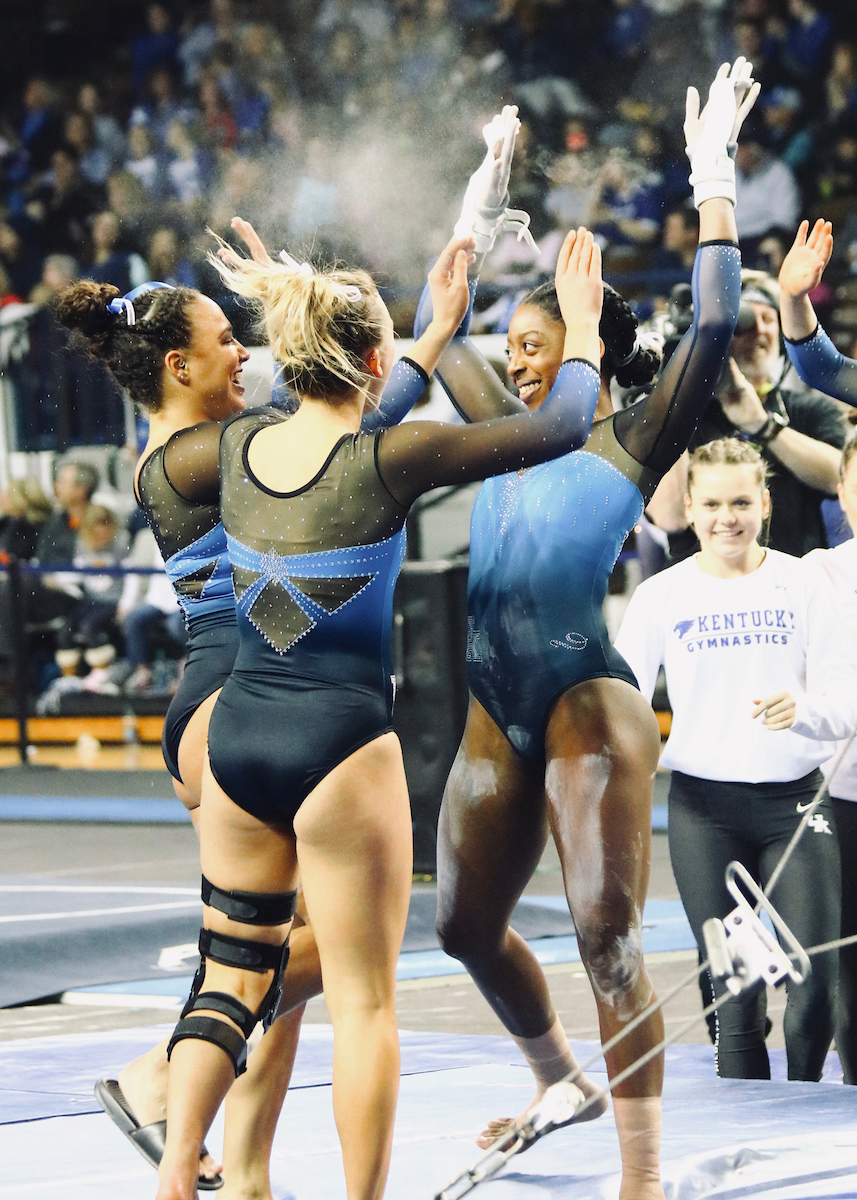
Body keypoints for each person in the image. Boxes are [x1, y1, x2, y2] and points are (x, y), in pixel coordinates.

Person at [155, 218, 604, 1200]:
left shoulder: (235, 448)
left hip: (237, 741)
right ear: (369, 357)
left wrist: (419, 327)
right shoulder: (386, 459)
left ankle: (176, 1181)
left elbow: (336, 406)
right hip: (335, 744)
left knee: (232, 980)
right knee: (361, 1003)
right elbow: (561, 425)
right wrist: (580, 329)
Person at [55, 222, 500, 1197]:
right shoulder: (202, 452)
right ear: (180, 364)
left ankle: (247, 1168)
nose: (247, 350)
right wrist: (391, 345)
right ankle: (165, 1073)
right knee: (304, 955)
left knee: (278, 955)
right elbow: (358, 436)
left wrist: (421, 336)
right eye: (229, 338)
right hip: (235, 696)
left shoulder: (216, 441)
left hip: (233, 696)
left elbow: (357, 426)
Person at [414, 61, 754, 1200]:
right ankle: (560, 1077)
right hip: (490, 705)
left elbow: (712, 318)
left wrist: (711, 177)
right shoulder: (502, 429)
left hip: (579, 699)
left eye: (539, 337)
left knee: (604, 935)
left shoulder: (624, 437)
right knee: (463, 929)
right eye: (512, 342)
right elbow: (434, 326)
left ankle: (641, 1178)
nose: (515, 358)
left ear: (588, 345)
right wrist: (479, 201)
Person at [615, 437, 856, 1080]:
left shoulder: (802, 581)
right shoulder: (661, 596)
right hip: (704, 813)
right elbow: (620, 703)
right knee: (738, 997)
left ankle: (800, 1123)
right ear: (689, 509)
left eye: (743, 502)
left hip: (795, 805)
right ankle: (744, 1137)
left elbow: (843, 696)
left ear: (766, 505)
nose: (729, 517)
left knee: (815, 987)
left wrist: (803, 711)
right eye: (714, 503)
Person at [646, 263, 847, 561]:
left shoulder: (807, 409)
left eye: (769, 320)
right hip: (705, 592)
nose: (760, 330)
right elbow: (671, 516)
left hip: (792, 583)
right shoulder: (683, 417)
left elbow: (840, 478)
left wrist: (764, 424)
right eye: (745, 322)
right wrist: (675, 402)